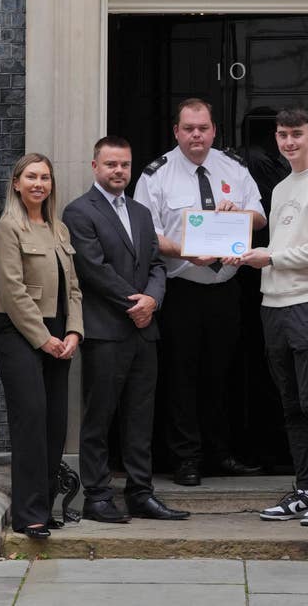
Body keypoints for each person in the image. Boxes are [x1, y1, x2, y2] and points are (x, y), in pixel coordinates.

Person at [133, 98, 266, 486]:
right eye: (189, 128)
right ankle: (186, 458)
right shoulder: (156, 175)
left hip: (225, 289)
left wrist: (236, 215)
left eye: (203, 128)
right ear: (176, 131)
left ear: (213, 130)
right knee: (182, 378)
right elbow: (147, 236)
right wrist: (187, 250)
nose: (197, 135)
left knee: (222, 375)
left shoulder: (233, 168)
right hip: (182, 291)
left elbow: (260, 218)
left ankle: (221, 453)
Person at [230, 107, 308, 526]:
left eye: (297, 134)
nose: (289, 142)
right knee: (292, 403)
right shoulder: (280, 188)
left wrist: (270, 257)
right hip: (273, 305)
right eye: (282, 135)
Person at [63, 136, 189, 522]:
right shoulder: (79, 212)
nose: (119, 171)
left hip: (143, 330)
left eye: (125, 165)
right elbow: (93, 268)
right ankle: (98, 496)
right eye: (111, 164)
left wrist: (152, 300)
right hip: (105, 332)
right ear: (95, 166)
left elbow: (156, 264)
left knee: (140, 417)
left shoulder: (139, 212)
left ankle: (141, 493)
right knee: (99, 416)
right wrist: (135, 303)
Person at [0, 153, 83, 539]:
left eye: (45, 177)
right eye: (31, 177)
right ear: (16, 183)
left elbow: (73, 288)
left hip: (58, 331)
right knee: (31, 416)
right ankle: (29, 515)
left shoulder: (60, 229)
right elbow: (12, 292)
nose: (38, 184)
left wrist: (74, 332)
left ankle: (44, 506)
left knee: (54, 420)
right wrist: (44, 339)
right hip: (17, 330)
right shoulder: (7, 228)